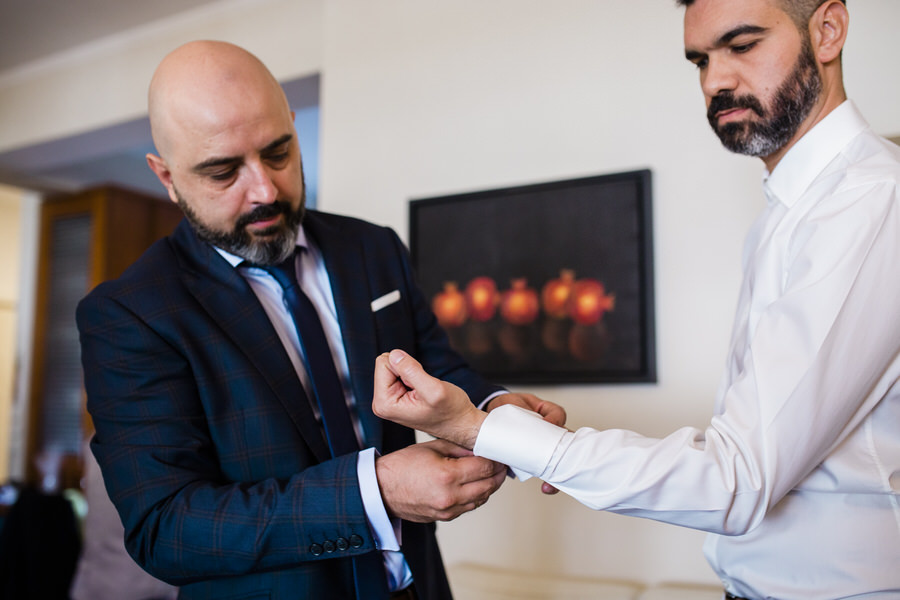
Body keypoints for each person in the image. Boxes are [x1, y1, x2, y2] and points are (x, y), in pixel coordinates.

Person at [372, 1, 900, 598]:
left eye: (743, 45)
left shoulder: (868, 203)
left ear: (827, 31)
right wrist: (520, 440)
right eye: (700, 59)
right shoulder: (787, 214)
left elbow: (737, 480)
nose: (714, 80)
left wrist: (478, 429)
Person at [76, 40, 563, 600]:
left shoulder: (372, 248)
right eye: (222, 172)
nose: (264, 191)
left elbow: (437, 369)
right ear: (166, 177)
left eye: (278, 152)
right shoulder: (128, 313)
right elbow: (166, 527)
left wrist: (497, 410)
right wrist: (373, 493)